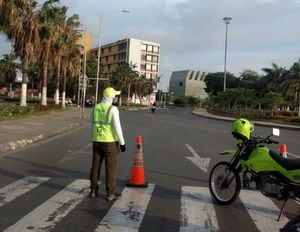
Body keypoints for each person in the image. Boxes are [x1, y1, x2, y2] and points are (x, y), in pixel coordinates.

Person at [89, 87, 126, 201]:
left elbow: (91, 126)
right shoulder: (113, 109)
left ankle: (93, 191)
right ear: (110, 97)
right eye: (114, 96)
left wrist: (94, 138)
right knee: (111, 168)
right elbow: (117, 127)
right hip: (110, 143)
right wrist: (122, 142)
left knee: (95, 167)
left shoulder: (94, 108)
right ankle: (110, 193)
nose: (115, 98)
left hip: (96, 141)